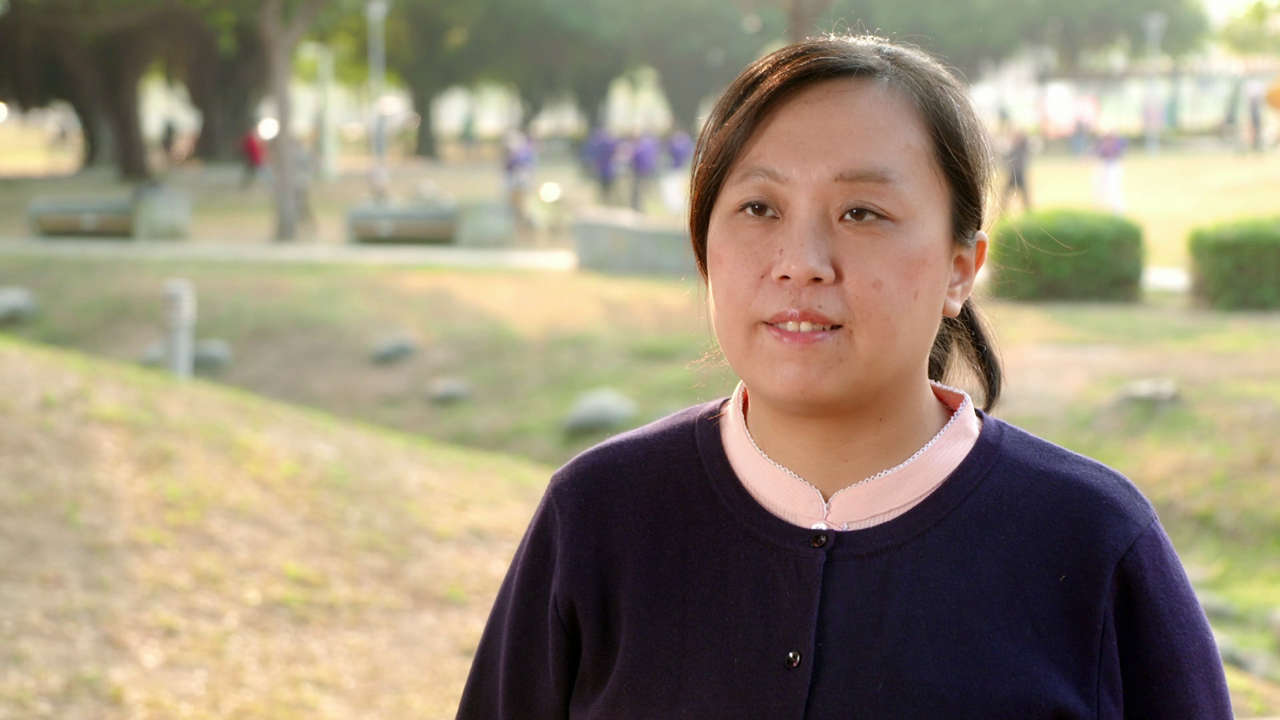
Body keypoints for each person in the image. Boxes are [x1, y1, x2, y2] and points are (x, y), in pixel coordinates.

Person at [457, 35, 1231, 718]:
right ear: (703, 247)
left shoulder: (1094, 543)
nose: (801, 263)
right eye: (758, 208)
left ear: (961, 268)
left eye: (862, 213)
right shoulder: (599, 516)